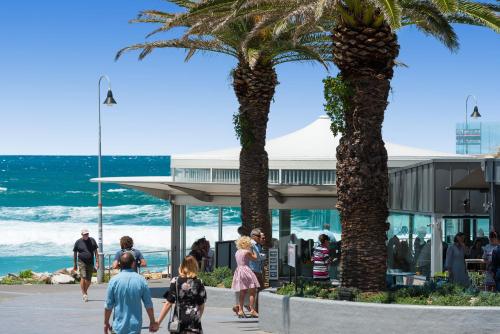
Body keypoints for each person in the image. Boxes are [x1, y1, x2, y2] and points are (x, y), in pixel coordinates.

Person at [104, 252, 158, 334]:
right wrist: (152, 321)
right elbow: (148, 304)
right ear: (133, 264)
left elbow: (108, 305)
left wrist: (106, 322)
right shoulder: (141, 280)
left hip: (118, 327)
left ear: (120, 264)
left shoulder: (114, 280)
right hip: (135, 327)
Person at [158, 256, 207, 334]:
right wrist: (197, 318)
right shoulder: (199, 282)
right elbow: (201, 305)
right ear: (195, 266)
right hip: (193, 320)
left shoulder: (176, 281)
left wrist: (158, 322)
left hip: (179, 320)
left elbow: (168, 303)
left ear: (182, 265)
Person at [232, 236, 260, 318]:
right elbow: (255, 258)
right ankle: (252, 309)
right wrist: (253, 248)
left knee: (242, 292)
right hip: (246, 271)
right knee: (252, 290)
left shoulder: (237, 252)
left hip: (239, 271)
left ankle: (240, 310)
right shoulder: (246, 252)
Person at [72, 228, 98, 302]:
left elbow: (96, 251)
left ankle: (85, 291)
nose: (86, 235)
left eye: (87, 234)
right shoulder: (78, 242)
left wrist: (97, 262)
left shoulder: (92, 240)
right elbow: (75, 253)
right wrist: (75, 264)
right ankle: (84, 294)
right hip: (81, 262)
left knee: (89, 280)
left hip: (90, 262)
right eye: (85, 234)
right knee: (83, 276)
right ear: (82, 235)